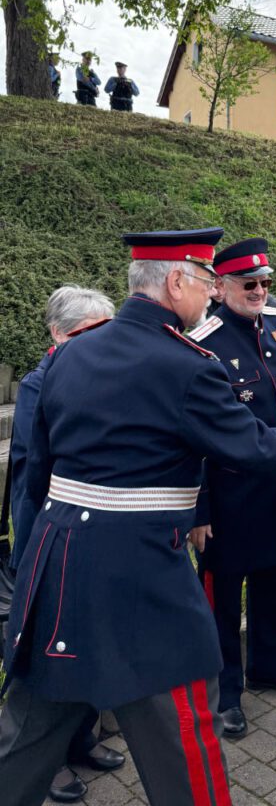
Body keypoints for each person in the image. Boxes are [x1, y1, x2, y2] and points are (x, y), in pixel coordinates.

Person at [0, 227, 276, 806]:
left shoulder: (70, 353)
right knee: (183, 732)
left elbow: (39, 474)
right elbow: (250, 445)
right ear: (176, 281)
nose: (211, 292)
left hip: (59, 567)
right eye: (206, 279)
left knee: (29, 731)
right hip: (141, 576)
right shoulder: (187, 364)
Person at [188, 239, 276, 742]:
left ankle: (270, 664)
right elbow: (193, 435)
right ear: (219, 287)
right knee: (222, 600)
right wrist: (199, 508)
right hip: (230, 496)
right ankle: (223, 694)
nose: (259, 291)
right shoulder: (203, 342)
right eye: (249, 284)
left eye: (265, 282)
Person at [9, 286, 124, 805]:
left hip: (87, 537)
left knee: (85, 645)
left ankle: (80, 738)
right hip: (50, 537)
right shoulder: (41, 382)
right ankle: (46, 759)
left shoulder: (100, 376)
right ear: (58, 334)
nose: (102, 341)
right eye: (87, 331)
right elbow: (42, 470)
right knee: (47, 653)